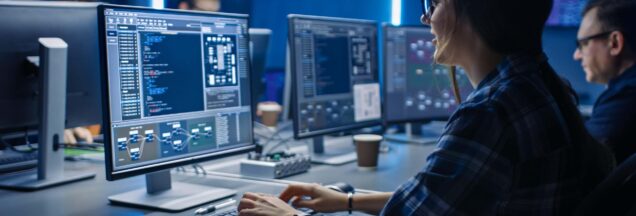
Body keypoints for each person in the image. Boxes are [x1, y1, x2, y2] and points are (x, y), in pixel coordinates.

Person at [237, 0, 615, 215]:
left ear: (471, 11)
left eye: (433, 4)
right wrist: (347, 200)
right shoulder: (541, 84)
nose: (425, 18)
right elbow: (435, 200)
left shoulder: (491, 113)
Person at [573, 0, 636, 164]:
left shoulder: (626, 97)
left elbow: (578, 163)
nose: (577, 55)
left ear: (614, 43)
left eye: (583, 44)